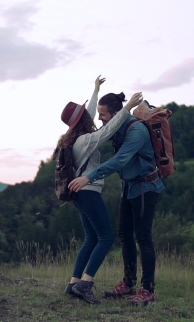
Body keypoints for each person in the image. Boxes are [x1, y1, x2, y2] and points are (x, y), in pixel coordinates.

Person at [68, 91, 165, 306]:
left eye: (103, 115)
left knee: (143, 237)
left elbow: (120, 160)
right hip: (128, 187)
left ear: (115, 113)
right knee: (124, 235)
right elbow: (94, 128)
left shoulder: (136, 130)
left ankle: (147, 288)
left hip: (145, 188)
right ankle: (129, 283)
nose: (100, 119)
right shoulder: (116, 127)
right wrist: (94, 92)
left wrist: (89, 177)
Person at [58, 75, 143, 304]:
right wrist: (127, 108)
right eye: (87, 114)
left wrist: (95, 90)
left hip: (78, 194)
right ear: (83, 120)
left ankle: (74, 283)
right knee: (105, 238)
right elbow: (107, 131)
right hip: (88, 192)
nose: (91, 115)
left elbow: (91, 113)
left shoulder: (72, 139)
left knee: (90, 238)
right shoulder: (86, 140)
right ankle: (85, 284)